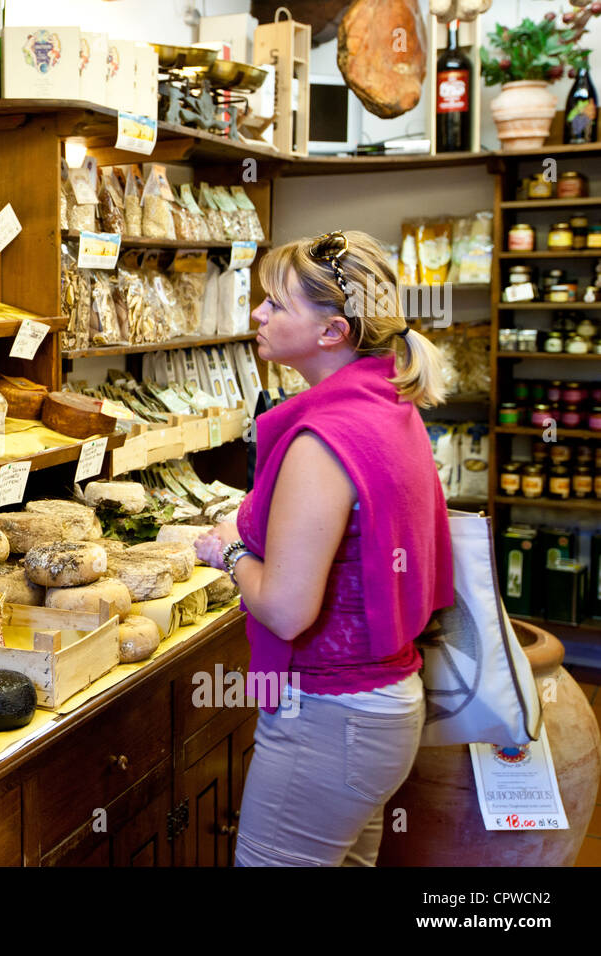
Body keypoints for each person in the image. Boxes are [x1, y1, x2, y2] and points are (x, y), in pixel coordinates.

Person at [195, 230, 454, 866]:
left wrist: (229, 551)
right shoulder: (389, 403)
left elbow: (286, 609)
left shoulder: (323, 437)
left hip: (329, 718)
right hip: (383, 707)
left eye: (275, 305)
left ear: (333, 330)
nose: (257, 314)